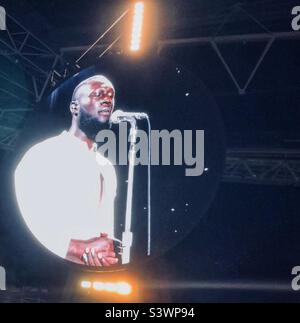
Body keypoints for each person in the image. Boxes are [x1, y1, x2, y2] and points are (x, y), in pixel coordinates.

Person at [15, 75, 120, 267]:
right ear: (74, 107)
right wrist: (74, 248)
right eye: (98, 94)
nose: (107, 99)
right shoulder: (44, 153)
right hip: (47, 275)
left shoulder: (107, 167)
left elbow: (105, 229)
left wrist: (105, 252)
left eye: (111, 96)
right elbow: (25, 223)